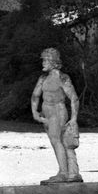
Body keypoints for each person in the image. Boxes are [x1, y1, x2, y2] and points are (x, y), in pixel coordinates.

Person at [28, 47, 82, 184]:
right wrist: (35, 112)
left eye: (45, 60)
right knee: (55, 142)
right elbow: (35, 95)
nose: (43, 63)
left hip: (58, 112)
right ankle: (66, 171)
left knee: (57, 141)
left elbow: (74, 98)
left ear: (53, 61)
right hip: (46, 113)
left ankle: (64, 173)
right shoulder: (43, 78)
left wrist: (74, 118)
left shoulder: (62, 78)